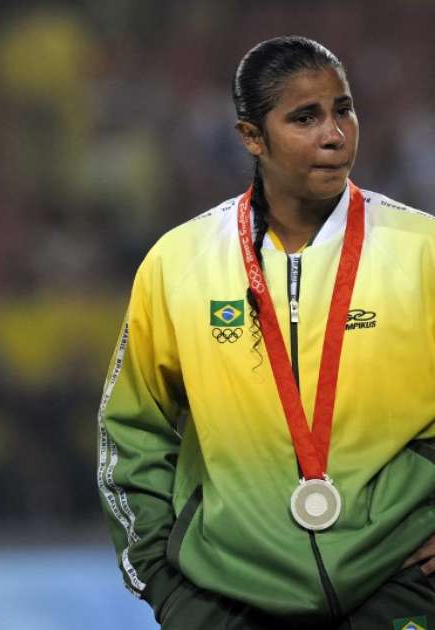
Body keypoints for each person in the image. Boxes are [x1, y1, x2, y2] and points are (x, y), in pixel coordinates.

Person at [98, 35, 435, 628]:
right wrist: (167, 587)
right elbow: (132, 432)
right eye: (305, 117)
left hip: (398, 589)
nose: (334, 134)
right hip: (229, 601)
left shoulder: (422, 250)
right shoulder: (180, 262)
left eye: (343, 109)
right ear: (251, 137)